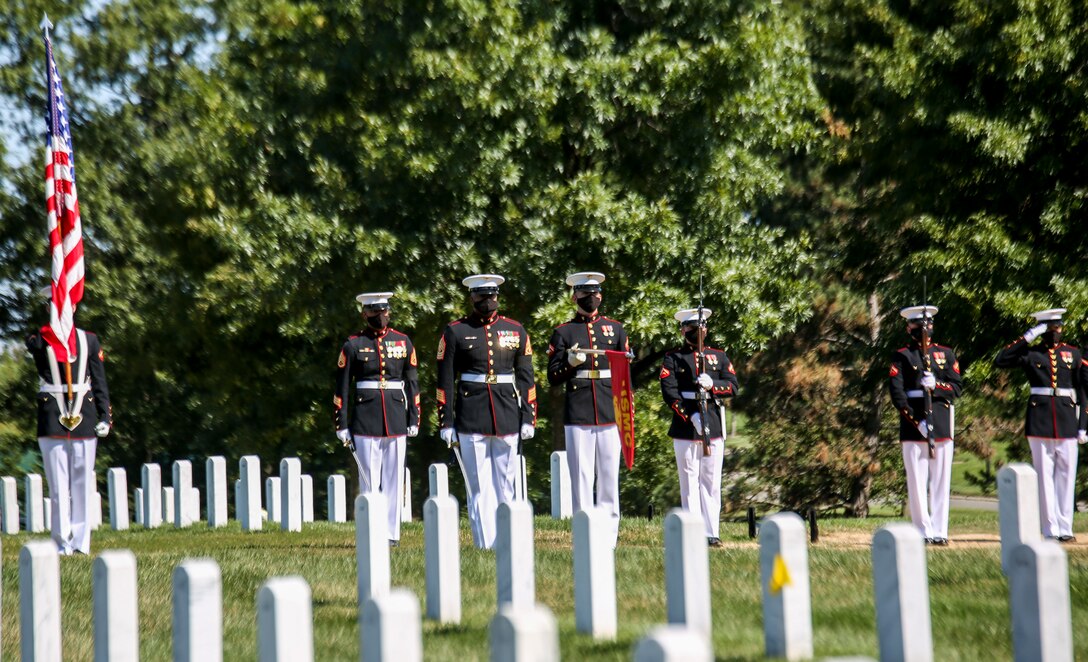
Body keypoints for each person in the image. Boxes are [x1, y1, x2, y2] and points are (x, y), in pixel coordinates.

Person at [436, 274, 536, 549]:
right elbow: (445, 381)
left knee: (506, 485)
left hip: (506, 413)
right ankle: (485, 543)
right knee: (478, 487)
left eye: (492, 295)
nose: (488, 301)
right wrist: (446, 421)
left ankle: (506, 541)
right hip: (471, 416)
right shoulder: (455, 331)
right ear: (472, 298)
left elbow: (526, 376)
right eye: (482, 296)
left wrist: (529, 416)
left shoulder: (515, 330)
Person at [546, 272, 630, 546]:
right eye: (584, 294)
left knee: (608, 475)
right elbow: (553, 377)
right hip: (579, 409)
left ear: (601, 296)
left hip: (609, 408)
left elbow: (627, 372)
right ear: (575, 297)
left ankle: (609, 535)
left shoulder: (615, 329)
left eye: (594, 293)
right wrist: (570, 363)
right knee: (581, 476)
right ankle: (585, 533)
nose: (590, 298)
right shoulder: (563, 332)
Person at [26, 286, 111, 555]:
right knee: (59, 486)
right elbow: (34, 345)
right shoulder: (41, 340)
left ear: (74, 307)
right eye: (55, 304)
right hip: (53, 416)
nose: (61, 309)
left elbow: (99, 381)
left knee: (82, 483)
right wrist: (51, 328)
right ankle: (61, 543)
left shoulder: (90, 341)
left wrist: (105, 415)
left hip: (84, 417)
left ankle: (81, 543)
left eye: (64, 304)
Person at [995, 308, 1088, 543]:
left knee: (1067, 475)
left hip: (1067, 419)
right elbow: (1001, 360)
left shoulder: (1073, 354)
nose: (1055, 332)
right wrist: (1028, 336)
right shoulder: (1031, 354)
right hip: (1040, 419)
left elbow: (1084, 391)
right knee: (1044, 477)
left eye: (1057, 328)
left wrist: (1083, 425)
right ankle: (1050, 528)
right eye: (1049, 329)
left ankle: (1065, 526)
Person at [334, 292, 420, 546]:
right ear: (365, 314)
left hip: (395, 416)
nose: (380, 317)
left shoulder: (403, 342)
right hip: (365, 418)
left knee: (395, 477)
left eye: (384, 312)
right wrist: (342, 423)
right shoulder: (353, 345)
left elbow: (412, 383)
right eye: (375, 313)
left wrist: (414, 417)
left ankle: (392, 533)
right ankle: (371, 530)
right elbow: (342, 388)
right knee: (368, 477)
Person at [659, 307, 739, 547]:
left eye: (702, 327)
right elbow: (669, 392)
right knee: (689, 481)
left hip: (713, 423)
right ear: (684, 329)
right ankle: (692, 531)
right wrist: (689, 415)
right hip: (686, 426)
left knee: (711, 482)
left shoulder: (718, 356)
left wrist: (713, 384)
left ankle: (711, 531)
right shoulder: (673, 358)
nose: (698, 332)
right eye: (693, 328)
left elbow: (733, 386)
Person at [887, 305, 962, 545]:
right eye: (917, 326)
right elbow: (898, 395)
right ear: (909, 327)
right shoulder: (902, 356)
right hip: (913, 426)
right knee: (917, 482)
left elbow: (956, 388)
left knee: (941, 480)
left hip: (941, 422)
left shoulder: (946, 354)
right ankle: (923, 530)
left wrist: (937, 385)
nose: (922, 329)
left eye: (926, 325)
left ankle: (940, 530)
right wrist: (915, 421)